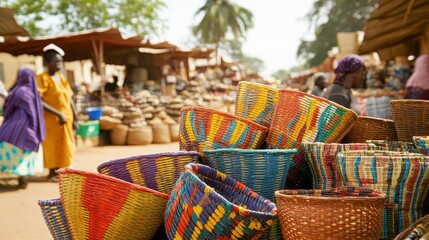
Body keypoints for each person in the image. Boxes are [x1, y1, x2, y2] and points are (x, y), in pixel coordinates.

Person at [36, 44, 77, 182]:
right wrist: (58, 114)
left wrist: (75, 116)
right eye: (56, 62)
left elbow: (69, 97)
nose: (59, 65)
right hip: (51, 120)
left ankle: (62, 170)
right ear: (47, 63)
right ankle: (52, 172)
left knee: (66, 145)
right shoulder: (42, 78)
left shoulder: (61, 77)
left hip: (67, 118)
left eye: (60, 62)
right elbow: (38, 100)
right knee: (52, 145)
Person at [0, 68, 46, 188]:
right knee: (24, 155)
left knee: (10, 144)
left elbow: (8, 106)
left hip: (18, 124)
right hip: (30, 126)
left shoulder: (21, 91)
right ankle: (23, 180)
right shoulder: (32, 91)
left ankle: (21, 180)